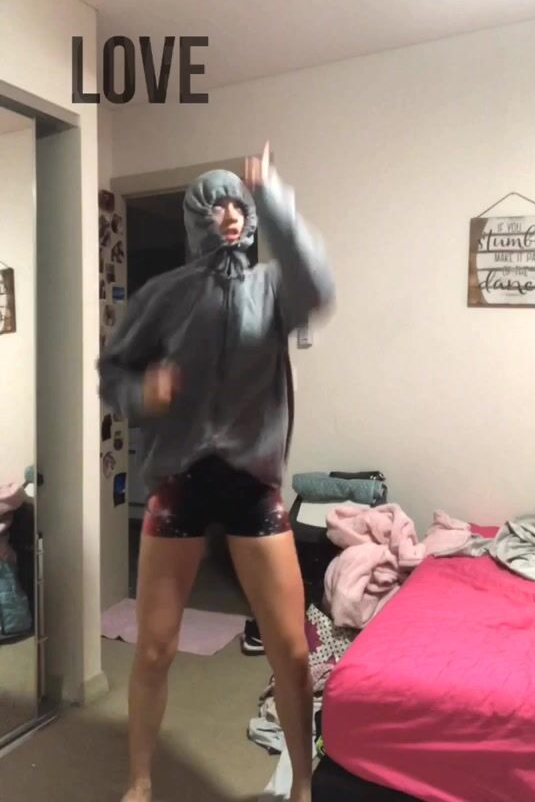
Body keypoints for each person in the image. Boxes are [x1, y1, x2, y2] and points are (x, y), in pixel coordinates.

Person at [98, 142, 335, 802]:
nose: (228, 214)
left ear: (249, 215)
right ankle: (140, 779)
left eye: (237, 204)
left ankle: (303, 785)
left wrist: (274, 199)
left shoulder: (273, 289)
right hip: (178, 483)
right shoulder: (163, 296)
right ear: (196, 217)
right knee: (154, 648)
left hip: (251, 484)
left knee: (291, 649)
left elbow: (319, 285)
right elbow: (113, 375)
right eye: (215, 205)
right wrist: (145, 391)